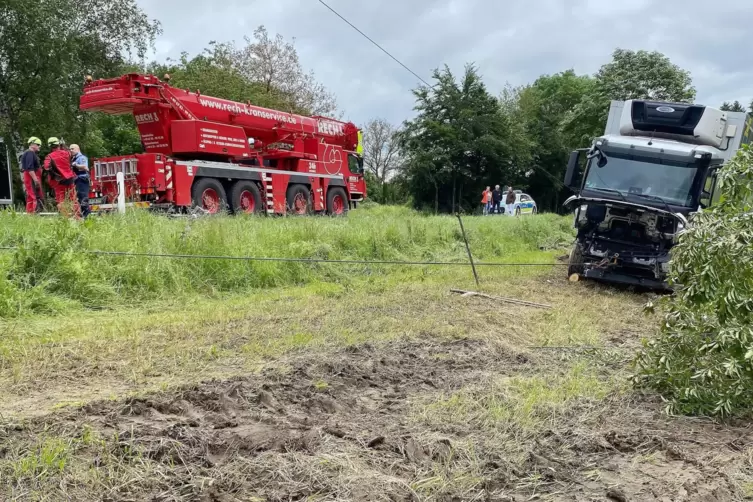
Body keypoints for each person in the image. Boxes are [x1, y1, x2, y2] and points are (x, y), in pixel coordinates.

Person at [43, 137, 79, 217]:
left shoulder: (49, 156)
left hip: (58, 182)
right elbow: (70, 155)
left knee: (61, 200)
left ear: (50, 146)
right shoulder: (67, 153)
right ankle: (78, 217)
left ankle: (65, 218)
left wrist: (54, 175)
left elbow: (46, 167)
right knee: (73, 199)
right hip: (70, 179)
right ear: (58, 144)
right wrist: (63, 145)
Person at [20, 137, 44, 213]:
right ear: (32, 144)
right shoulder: (30, 153)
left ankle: (29, 214)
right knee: (35, 196)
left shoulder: (28, 153)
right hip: (31, 178)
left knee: (30, 197)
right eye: (38, 144)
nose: (39, 146)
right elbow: (30, 168)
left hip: (30, 177)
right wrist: (35, 180)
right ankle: (35, 214)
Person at [70, 144, 90, 218]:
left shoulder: (81, 158)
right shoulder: (74, 158)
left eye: (72, 149)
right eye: (70, 149)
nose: (71, 150)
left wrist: (76, 165)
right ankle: (83, 216)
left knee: (83, 198)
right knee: (79, 199)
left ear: (78, 149)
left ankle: (87, 216)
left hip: (82, 180)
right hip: (77, 180)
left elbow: (85, 167)